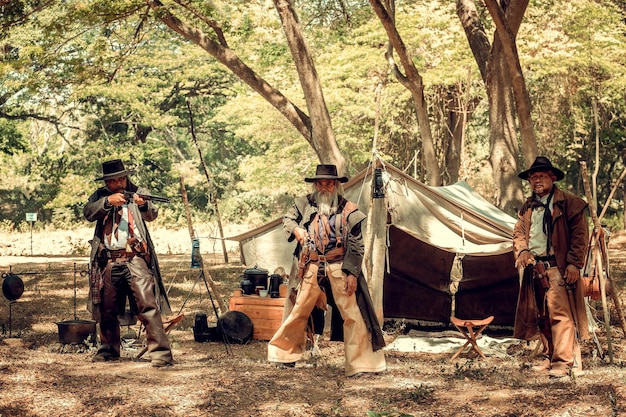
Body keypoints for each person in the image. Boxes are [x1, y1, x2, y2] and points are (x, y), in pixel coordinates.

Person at [268, 164, 386, 377]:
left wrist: (351, 273)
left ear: (336, 185)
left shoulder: (349, 210)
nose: (324, 187)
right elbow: (287, 220)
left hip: (339, 265)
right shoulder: (303, 204)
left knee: (354, 314)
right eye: (320, 183)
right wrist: (296, 230)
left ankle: (361, 364)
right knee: (298, 310)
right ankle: (283, 355)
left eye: (329, 183)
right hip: (310, 265)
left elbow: (357, 245)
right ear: (315, 185)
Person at [84, 159, 173, 367]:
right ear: (108, 183)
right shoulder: (100, 196)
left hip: (135, 257)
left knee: (148, 305)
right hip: (109, 259)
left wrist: (142, 205)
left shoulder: (137, 192)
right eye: (114, 180)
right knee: (107, 309)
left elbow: (152, 214)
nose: (120, 183)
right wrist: (108, 202)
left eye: (122, 178)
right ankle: (108, 350)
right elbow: (88, 212)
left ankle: (161, 355)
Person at [513, 156, 590, 378]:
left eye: (541, 176)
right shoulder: (528, 207)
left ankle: (563, 362)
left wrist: (574, 263)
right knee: (542, 316)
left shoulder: (570, 204)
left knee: (560, 316)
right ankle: (549, 356)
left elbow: (579, 237)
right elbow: (518, 233)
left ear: (552, 178)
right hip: (535, 268)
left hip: (557, 267)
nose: (536, 181)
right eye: (533, 177)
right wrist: (523, 250)